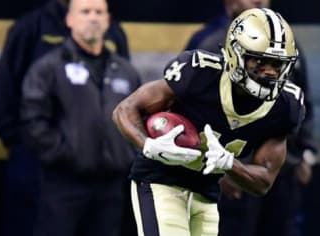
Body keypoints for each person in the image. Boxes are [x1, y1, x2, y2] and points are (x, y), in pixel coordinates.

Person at [113, 8, 305, 236]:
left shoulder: (286, 106)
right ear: (236, 53)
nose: (270, 72)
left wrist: (230, 165)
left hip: (206, 191)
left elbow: (264, 180)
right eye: (260, 61)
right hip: (160, 180)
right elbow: (125, 109)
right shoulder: (200, 72)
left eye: (278, 64)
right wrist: (148, 145)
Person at [0, 0, 131, 235]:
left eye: (98, 12)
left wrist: (122, 153)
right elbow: (4, 93)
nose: (92, 18)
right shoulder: (31, 28)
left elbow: (128, 104)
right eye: (85, 12)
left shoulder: (115, 34)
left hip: (107, 172)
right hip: (43, 164)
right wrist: (37, 147)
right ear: (70, 18)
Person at [185, 1, 318, 236]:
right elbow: (190, 110)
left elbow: (302, 100)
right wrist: (217, 169)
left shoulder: (288, 42)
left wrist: (306, 152)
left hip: (280, 168)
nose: (259, 1)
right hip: (229, 168)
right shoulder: (209, 42)